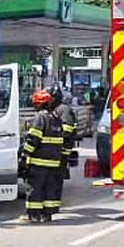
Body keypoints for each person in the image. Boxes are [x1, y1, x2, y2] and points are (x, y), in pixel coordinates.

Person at [20, 89, 65, 223]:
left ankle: (33, 215)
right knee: (49, 189)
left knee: (35, 189)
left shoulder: (40, 117)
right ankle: (47, 215)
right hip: (53, 161)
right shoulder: (56, 118)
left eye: (35, 104)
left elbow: (34, 138)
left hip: (39, 161)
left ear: (39, 104)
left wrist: (24, 155)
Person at [49, 83, 77, 216]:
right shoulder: (55, 110)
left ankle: (54, 207)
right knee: (51, 179)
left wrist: (52, 135)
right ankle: (51, 206)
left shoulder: (63, 109)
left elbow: (67, 129)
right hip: (54, 150)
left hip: (61, 151)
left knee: (55, 179)